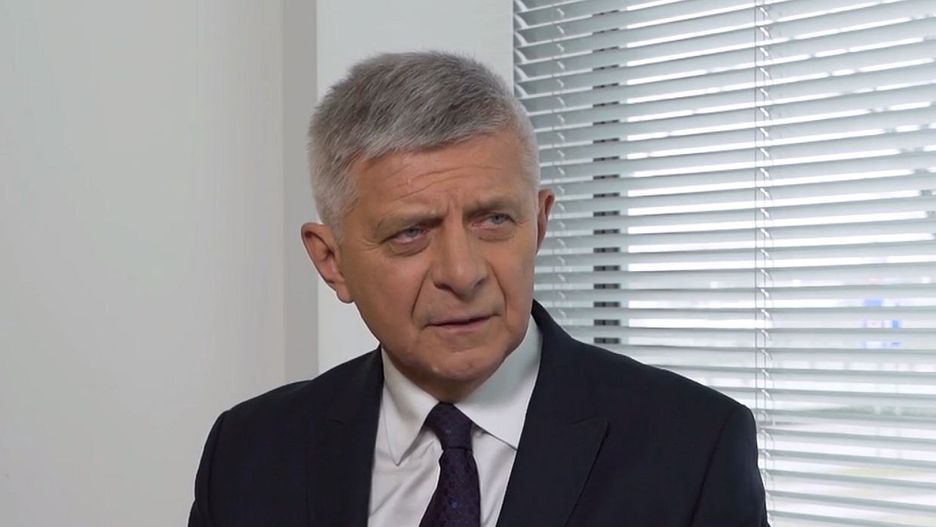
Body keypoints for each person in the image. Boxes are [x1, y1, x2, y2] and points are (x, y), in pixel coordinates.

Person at [188, 51, 769, 527]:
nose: (462, 273)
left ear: (539, 224)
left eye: (493, 220)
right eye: (410, 233)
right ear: (331, 260)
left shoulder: (693, 449)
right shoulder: (247, 454)